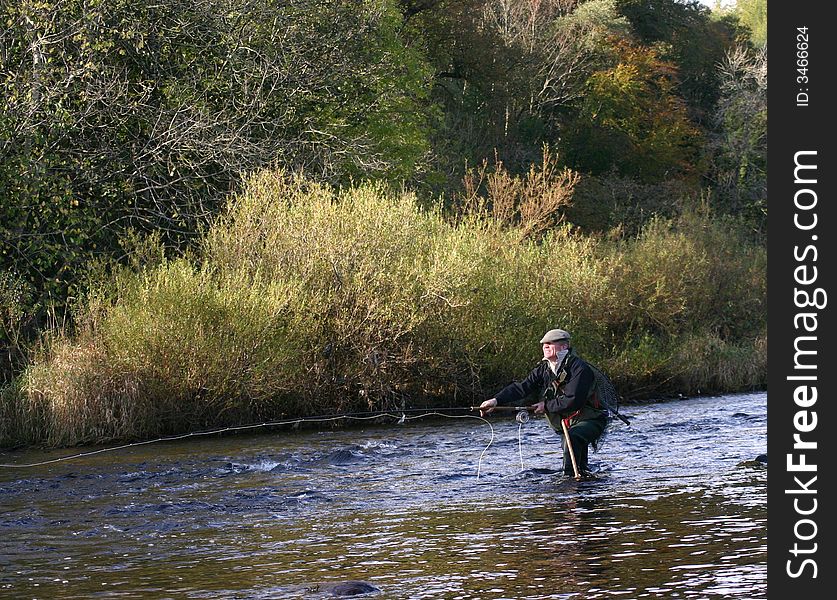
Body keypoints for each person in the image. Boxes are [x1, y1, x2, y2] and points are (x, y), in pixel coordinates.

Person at [479, 328, 608, 477]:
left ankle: (569, 482)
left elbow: (573, 400)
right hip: (568, 422)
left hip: (592, 420)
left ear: (564, 347)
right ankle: (583, 481)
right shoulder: (544, 369)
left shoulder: (580, 369)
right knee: (576, 453)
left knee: (571, 439)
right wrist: (495, 401)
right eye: (544, 344)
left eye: (550, 343)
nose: (545, 346)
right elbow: (522, 388)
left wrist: (545, 406)